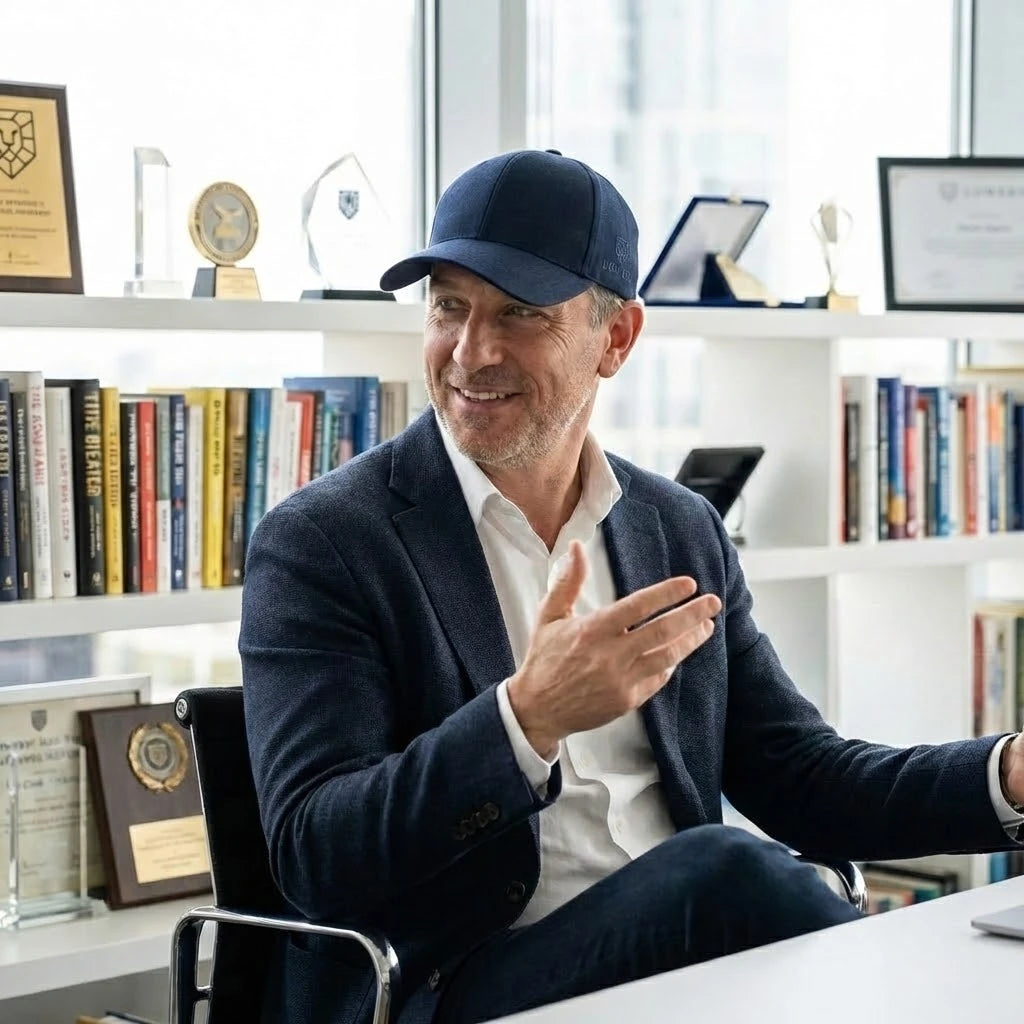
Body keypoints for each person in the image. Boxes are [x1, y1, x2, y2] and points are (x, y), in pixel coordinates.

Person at [239, 149, 1024, 1024]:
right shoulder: (326, 541)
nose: (471, 351)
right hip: (451, 982)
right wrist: (525, 720)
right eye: (449, 306)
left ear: (616, 339)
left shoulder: (676, 527)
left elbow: (806, 780)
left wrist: (1009, 773)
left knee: (736, 885)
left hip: (682, 976)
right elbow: (315, 853)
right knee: (725, 870)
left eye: (520, 313)